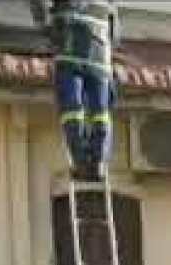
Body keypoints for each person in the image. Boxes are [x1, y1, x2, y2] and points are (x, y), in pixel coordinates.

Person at [31, 0, 120, 182]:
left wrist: (46, 28)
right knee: (100, 111)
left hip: (69, 44)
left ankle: (80, 160)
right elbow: (114, 18)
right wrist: (111, 44)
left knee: (73, 108)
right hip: (99, 51)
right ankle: (98, 162)